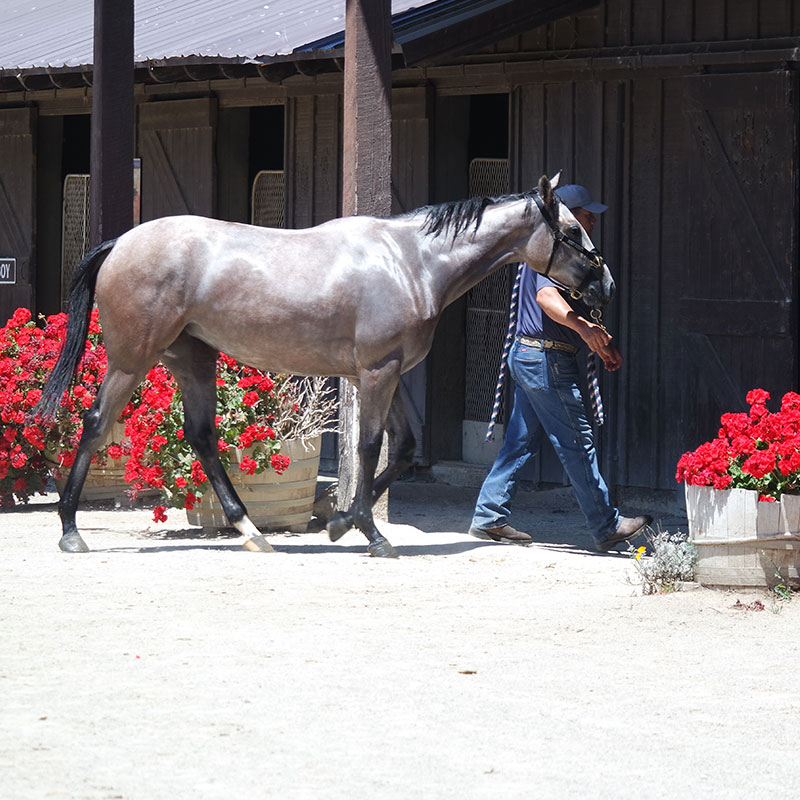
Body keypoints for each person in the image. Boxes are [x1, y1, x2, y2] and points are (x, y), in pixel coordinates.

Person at [469, 184, 652, 553]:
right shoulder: (550, 249)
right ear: (567, 214)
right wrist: (584, 329)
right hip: (545, 359)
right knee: (577, 442)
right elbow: (546, 298)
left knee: (519, 441)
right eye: (585, 214)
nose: (591, 222)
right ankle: (606, 525)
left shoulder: (553, 250)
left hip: (533, 356)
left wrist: (596, 342)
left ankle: (489, 514)